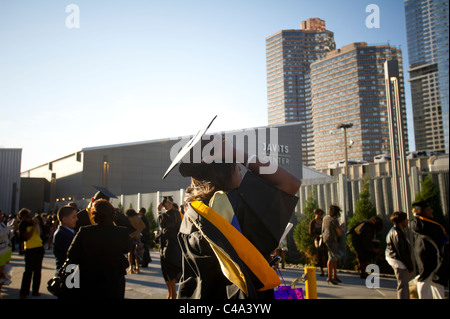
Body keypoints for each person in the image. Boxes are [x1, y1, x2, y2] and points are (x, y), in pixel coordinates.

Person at [163, 123, 300, 299]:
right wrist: (237, 153)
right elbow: (290, 183)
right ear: (224, 174)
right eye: (236, 166)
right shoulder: (237, 208)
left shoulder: (191, 215)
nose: (241, 169)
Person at [66, 199, 130, 299]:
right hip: (114, 280)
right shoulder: (122, 232)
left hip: (89, 279)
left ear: (94, 215)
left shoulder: (85, 231)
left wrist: (71, 282)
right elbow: (127, 248)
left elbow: (71, 255)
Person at [411, 200, 449, 299]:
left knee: (434, 283)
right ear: (422, 212)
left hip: (435, 258)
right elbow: (417, 226)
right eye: (428, 210)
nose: (431, 211)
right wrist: (416, 215)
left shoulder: (432, 225)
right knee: (427, 283)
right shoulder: (421, 223)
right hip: (429, 259)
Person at [157, 196, 182, 299]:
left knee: (171, 270)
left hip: (171, 246)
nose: (164, 205)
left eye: (165, 203)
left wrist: (159, 212)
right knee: (166, 271)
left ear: (170, 203)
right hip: (165, 245)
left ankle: (174, 294)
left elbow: (164, 225)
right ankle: (171, 293)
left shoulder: (175, 214)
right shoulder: (168, 214)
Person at [385, 211, 413, 299]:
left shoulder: (398, 231)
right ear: (401, 221)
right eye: (406, 219)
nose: (407, 220)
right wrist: (409, 266)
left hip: (397, 259)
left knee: (403, 284)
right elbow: (401, 251)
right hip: (397, 260)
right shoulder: (396, 233)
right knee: (403, 284)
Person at [18, 208, 45, 298]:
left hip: (39, 248)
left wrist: (37, 225)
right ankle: (24, 292)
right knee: (28, 272)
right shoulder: (22, 225)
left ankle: (35, 291)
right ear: (23, 217)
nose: (30, 217)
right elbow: (27, 236)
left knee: (38, 271)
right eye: (28, 216)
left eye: (30, 215)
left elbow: (40, 233)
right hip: (30, 249)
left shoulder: (33, 222)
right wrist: (34, 226)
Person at [322, 205, 343, 285]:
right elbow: (339, 232)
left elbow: (324, 229)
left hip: (326, 239)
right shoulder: (334, 220)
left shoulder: (325, 218)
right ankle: (330, 277)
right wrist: (341, 227)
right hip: (332, 240)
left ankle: (334, 275)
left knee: (333, 257)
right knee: (331, 258)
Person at [53, 205, 78, 270]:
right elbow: (71, 253)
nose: (76, 219)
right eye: (73, 217)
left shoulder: (72, 231)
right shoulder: (60, 234)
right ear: (64, 219)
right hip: (67, 270)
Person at [125, 208, 146, 274]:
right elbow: (143, 226)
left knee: (130, 252)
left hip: (130, 236)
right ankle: (137, 267)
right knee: (137, 252)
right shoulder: (138, 218)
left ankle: (131, 267)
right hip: (137, 237)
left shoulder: (127, 219)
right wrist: (138, 231)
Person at [309, 208, 327, 276]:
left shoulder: (323, 221)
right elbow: (311, 233)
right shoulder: (313, 222)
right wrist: (318, 236)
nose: (320, 216)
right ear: (315, 214)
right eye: (319, 214)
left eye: (321, 214)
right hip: (317, 239)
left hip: (325, 239)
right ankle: (322, 270)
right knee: (319, 253)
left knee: (326, 254)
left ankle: (328, 270)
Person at [0, 209, 13, 298]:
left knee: (3, 272)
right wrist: (9, 227)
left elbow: (6, 234)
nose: (1, 216)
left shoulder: (1, 223)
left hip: (5, 250)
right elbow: (1, 233)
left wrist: (12, 231)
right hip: (1, 251)